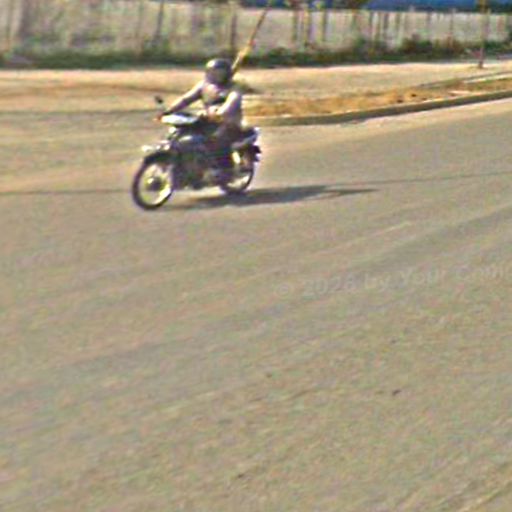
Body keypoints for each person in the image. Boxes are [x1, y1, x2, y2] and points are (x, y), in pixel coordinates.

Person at [161, 58, 244, 175]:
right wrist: (169, 110)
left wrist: (220, 112)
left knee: (217, 139)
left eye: (221, 73)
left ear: (227, 73)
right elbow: (186, 99)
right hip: (208, 119)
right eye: (214, 72)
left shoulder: (234, 87)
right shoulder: (204, 85)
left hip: (228, 121)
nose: (217, 76)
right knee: (185, 134)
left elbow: (232, 102)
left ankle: (225, 169)